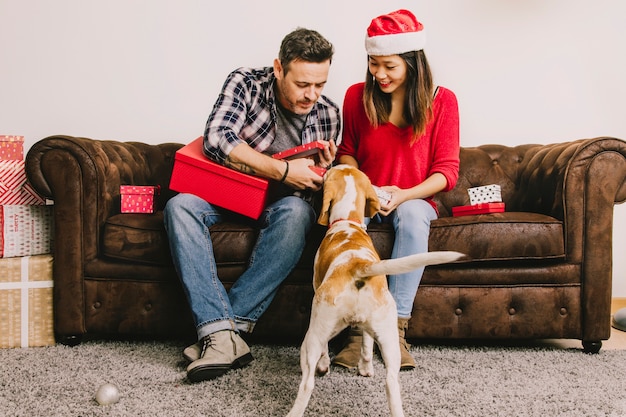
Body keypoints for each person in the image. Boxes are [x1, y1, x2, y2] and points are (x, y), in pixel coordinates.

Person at [164, 28, 340, 383]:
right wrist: (283, 169)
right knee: (179, 207)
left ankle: (220, 335)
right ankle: (230, 335)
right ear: (279, 68)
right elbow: (218, 139)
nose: (312, 95)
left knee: (298, 213)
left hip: (282, 207)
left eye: (320, 84)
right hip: (231, 194)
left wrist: (324, 172)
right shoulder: (245, 83)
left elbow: (316, 193)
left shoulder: (329, 114)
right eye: (303, 84)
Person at [333, 9, 460, 371]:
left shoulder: (443, 101)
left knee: (413, 213)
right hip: (368, 193)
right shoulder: (357, 96)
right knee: (347, 213)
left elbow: (447, 172)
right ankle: (356, 331)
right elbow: (347, 154)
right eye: (374, 64)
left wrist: (404, 194)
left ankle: (395, 328)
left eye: (389, 65)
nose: (379, 74)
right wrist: (365, 187)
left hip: (414, 198)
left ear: (412, 63)